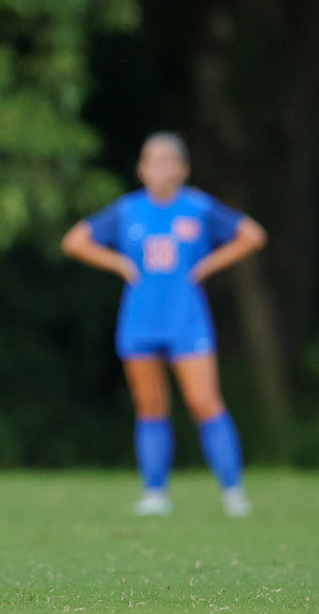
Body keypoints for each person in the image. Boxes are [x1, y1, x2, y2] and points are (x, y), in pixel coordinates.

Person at [62, 134, 268, 518]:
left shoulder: (198, 207)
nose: (158, 168)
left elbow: (252, 235)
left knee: (204, 403)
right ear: (140, 169)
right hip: (140, 322)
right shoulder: (127, 211)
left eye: (166, 160)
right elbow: (74, 241)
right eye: (150, 160)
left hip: (187, 321)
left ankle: (233, 493)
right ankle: (155, 494)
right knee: (150, 406)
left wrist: (207, 265)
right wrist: (119, 263)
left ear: (182, 168)